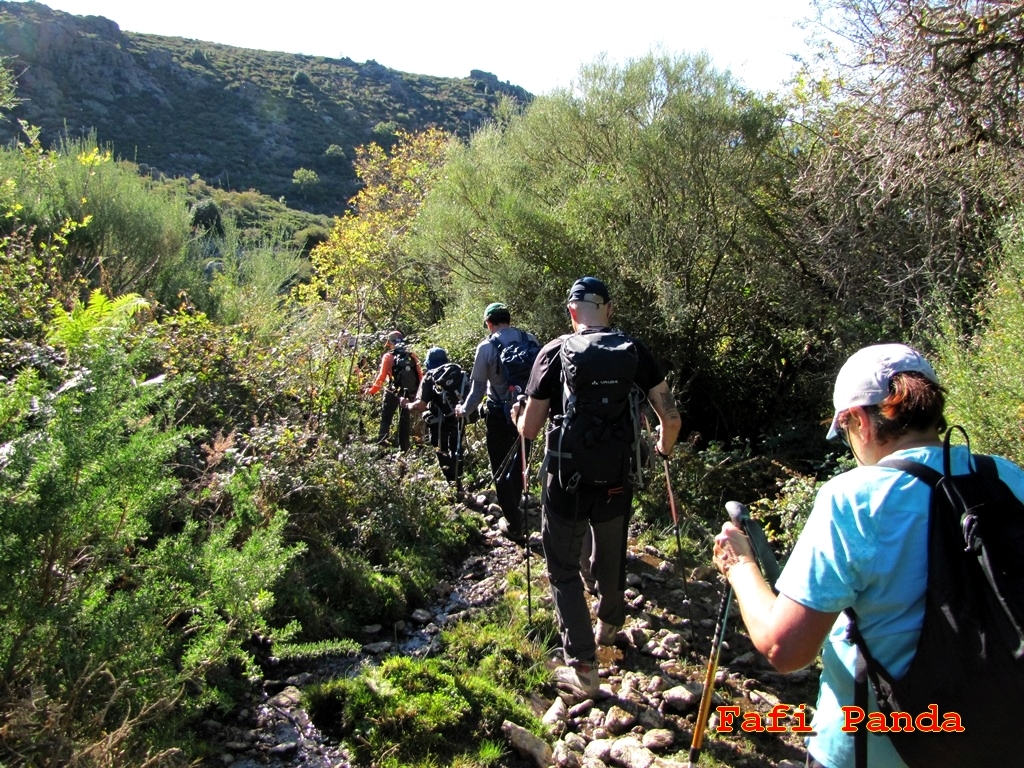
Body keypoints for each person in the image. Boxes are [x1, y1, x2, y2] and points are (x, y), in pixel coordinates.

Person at [711, 343, 1024, 768]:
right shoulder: (1006, 477)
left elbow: (784, 648)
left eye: (844, 433)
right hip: (1000, 738)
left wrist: (741, 566)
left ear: (857, 420)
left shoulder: (855, 498)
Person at [515, 276, 681, 698]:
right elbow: (671, 418)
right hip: (616, 479)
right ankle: (609, 624)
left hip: (565, 482)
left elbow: (530, 429)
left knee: (565, 569)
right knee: (611, 551)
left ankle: (584, 667)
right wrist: (662, 450)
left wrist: (517, 415)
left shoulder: (553, 353)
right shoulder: (634, 351)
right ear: (608, 309)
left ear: (572, 312)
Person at [455, 303, 539, 540]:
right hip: (527, 411)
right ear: (508, 320)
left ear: (489, 323)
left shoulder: (486, 347)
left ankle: (513, 523)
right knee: (519, 462)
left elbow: (479, 388)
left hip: (498, 414)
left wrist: (464, 409)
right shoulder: (529, 339)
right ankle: (517, 502)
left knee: (500, 466)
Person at [403, 346, 467, 485]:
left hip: (439, 422)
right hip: (458, 417)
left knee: (441, 449)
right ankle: (461, 480)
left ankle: (453, 483)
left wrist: (407, 405)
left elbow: (421, 405)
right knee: (457, 447)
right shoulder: (457, 373)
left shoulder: (430, 376)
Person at [364, 330, 422, 451]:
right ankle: (404, 449)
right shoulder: (411, 355)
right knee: (404, 422)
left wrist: (372, 391)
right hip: (407, 393)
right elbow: (420, 375)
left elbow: (381, 377)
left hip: (392, 391)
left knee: (386, 419)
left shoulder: (388, 356)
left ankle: (381, 446)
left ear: (390, 343)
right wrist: (418, 393)